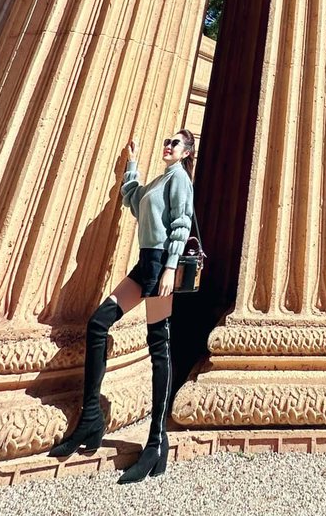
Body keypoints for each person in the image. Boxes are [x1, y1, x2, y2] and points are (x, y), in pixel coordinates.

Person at [49, 129, 196, 484]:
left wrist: (172, 267)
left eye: (174, 143)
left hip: (162, 265)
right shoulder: (160, 181)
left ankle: (155, 442)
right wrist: (132, 163)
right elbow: (132, 199)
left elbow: (181, 223)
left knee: (158, 348)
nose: (168, 146)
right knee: (99, 323)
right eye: (166, 141)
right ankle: (91, 421)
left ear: (187, 151)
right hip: (145, 263)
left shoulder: (180, 180)